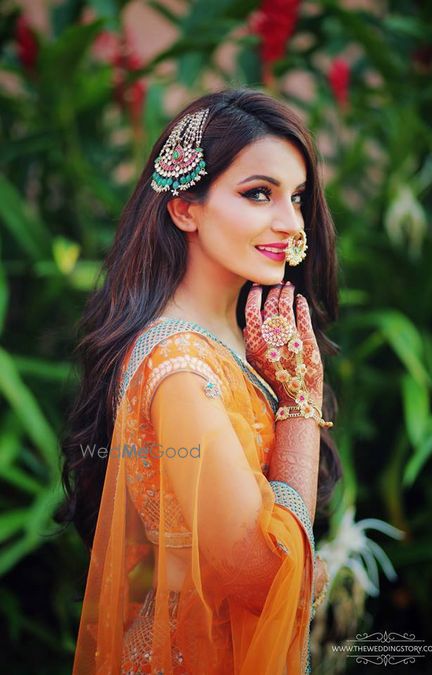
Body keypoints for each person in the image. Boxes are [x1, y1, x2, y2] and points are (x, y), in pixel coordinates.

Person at [57, 87, 342, 674]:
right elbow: (262, 577)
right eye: (258, 193)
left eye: (297, 197)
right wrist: (299, 404)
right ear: (184, 207)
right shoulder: (181, 369)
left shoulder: (238, 341)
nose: (290, 224)